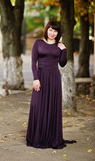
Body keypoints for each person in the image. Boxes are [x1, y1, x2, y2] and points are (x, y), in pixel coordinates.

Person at [26, 20, 75, 149]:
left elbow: (63, 63)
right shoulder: (38, 43)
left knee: (52, 107)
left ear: (58, 33)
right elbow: (33, 62)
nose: (52, 33)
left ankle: (51, 137)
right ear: (47, 30)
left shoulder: (60, 45)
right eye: (51, 30)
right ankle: (37, 137)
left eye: (55, 31)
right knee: (38, 106)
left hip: (54, 79)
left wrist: (64, 50)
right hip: (41, 77)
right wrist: (35, 79)